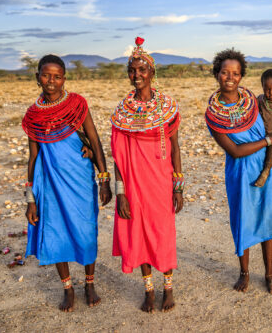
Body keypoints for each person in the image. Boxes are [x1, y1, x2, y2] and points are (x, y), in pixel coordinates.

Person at [22, 54, 112, 312]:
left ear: (64, 79)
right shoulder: (33, 116)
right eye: (46, 75)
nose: (52, 81)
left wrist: (104, 179)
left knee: (86, 231)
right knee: (55, 232)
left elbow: (94, 141)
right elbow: (33, 157)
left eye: (57, 76)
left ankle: (89, 284)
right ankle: (68, 287)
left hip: (80, 179)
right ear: (37, 77)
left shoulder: (77, 104)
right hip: (49, 183)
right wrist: (30, 199)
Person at [205, 48, 272, 294]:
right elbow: (234, 150)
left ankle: (269, 273)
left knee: (268, 218)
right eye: (225, 72)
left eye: (236, 73)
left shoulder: (253, 100)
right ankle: (244, 273)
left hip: (266, 168)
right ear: (217, 74)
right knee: (243, 219)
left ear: (242, 76)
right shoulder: (213, 114)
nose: (230, 77)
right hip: (240, 171)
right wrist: (268, 141)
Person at [110, 37, 183, 312]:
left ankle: (169, 288)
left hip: (161, 182)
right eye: (132, 70)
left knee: (162, 234)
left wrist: (178, 186)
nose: (136, 75)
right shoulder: (122, 112)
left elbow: (175, 148)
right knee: (138, 235)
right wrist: (121, 193)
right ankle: (149, 290)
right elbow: (117, 156)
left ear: (152, 72)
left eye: (142, 69)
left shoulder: (167, 107)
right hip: (134, 184)